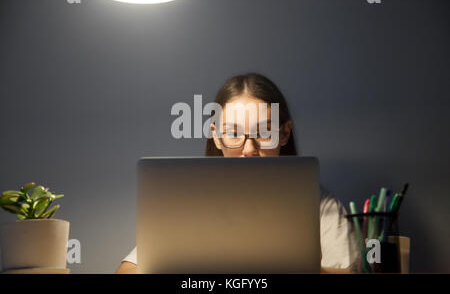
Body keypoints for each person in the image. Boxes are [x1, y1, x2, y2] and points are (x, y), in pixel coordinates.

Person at [116, 73, 356, 274]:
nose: (249, 149)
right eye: (233, 133)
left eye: (264, 132)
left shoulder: (320, 206)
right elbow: (127, 269)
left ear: (284, 134)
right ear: (217, 137)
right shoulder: (190, 203)